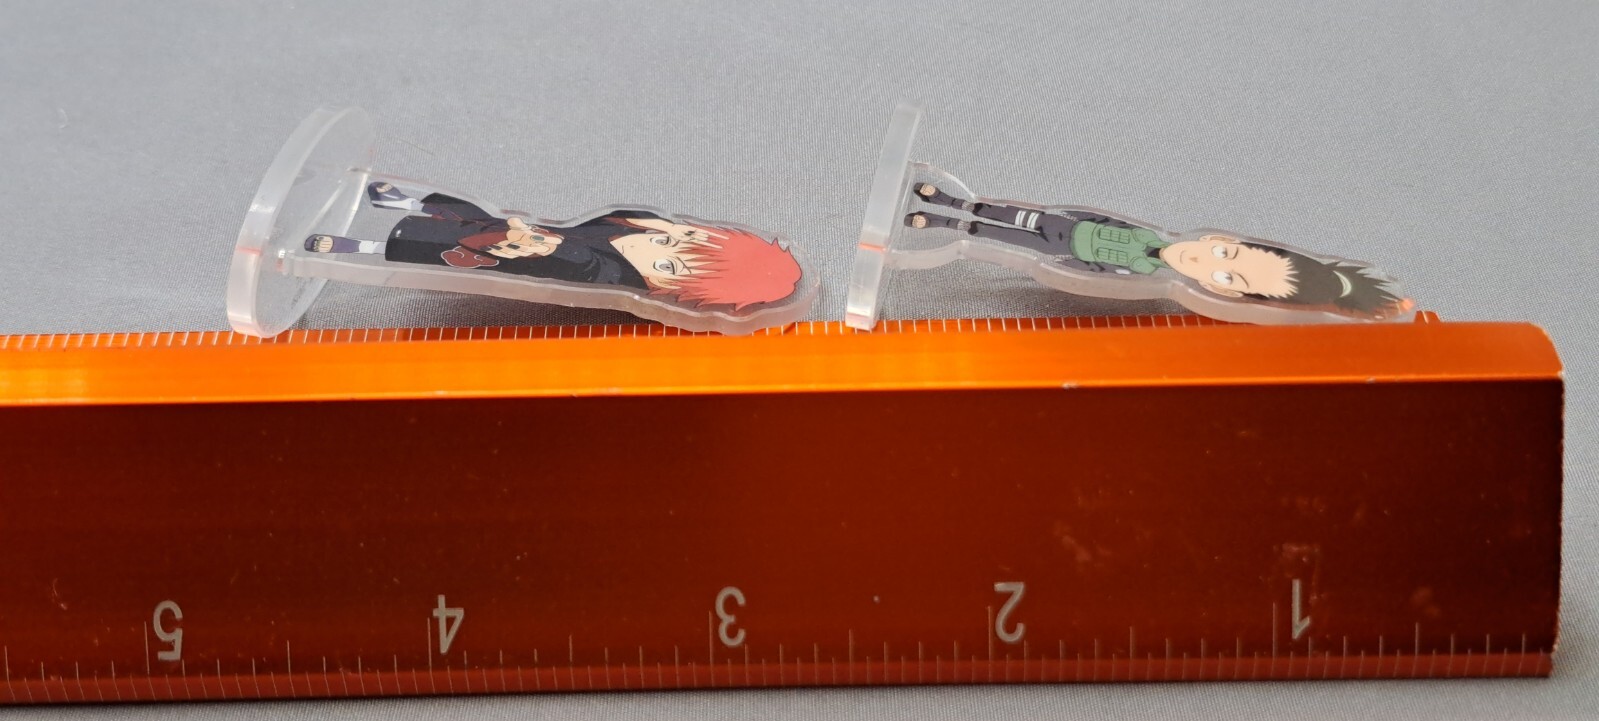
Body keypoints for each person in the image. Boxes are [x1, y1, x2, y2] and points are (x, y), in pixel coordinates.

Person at [906, 183, 1405, 318]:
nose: (1204, 262)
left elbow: (1101, 277)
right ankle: (953, 202)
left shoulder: (1154, 280)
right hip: (1070, 224)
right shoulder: (1161, 238)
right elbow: (1113, 223)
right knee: (1012, 214)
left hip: (1071, 250)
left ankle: (944, 221)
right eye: (1226, 256)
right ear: (1222, 241)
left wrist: (1071, 264)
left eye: (1226, 279)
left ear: (1225, 294)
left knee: (1003, 236)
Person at [306, 183, 803, 310]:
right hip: (528, 231)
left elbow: (579, 264)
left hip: (516, 255)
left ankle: (354, 245)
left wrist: (537, 245)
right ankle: (402, 198)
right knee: (467, 214)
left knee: (437, 247)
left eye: (670, 263)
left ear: (668, 288)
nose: (658, 241)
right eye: (682, 238)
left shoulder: (607, 272)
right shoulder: (639, 225)